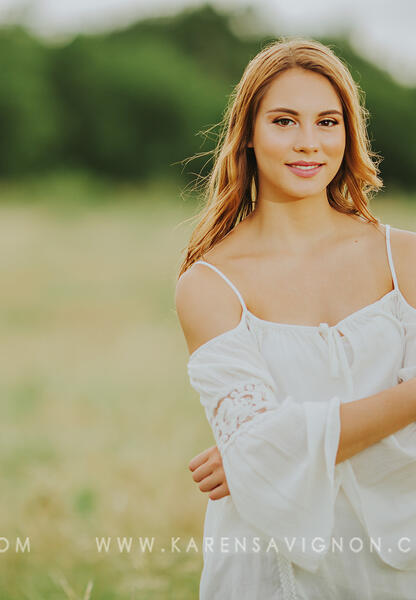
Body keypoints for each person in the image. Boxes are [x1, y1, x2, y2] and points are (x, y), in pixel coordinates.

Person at [175, 37, 416, 599]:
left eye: (328, 122)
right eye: (285, 121)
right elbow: (258, 449)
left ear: (349, 133)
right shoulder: (209, 284)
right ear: (249, 133)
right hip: (269, 570)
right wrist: (258, 454)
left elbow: (262, 453)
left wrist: (280, 450)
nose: (309, 143)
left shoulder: (405, 257)